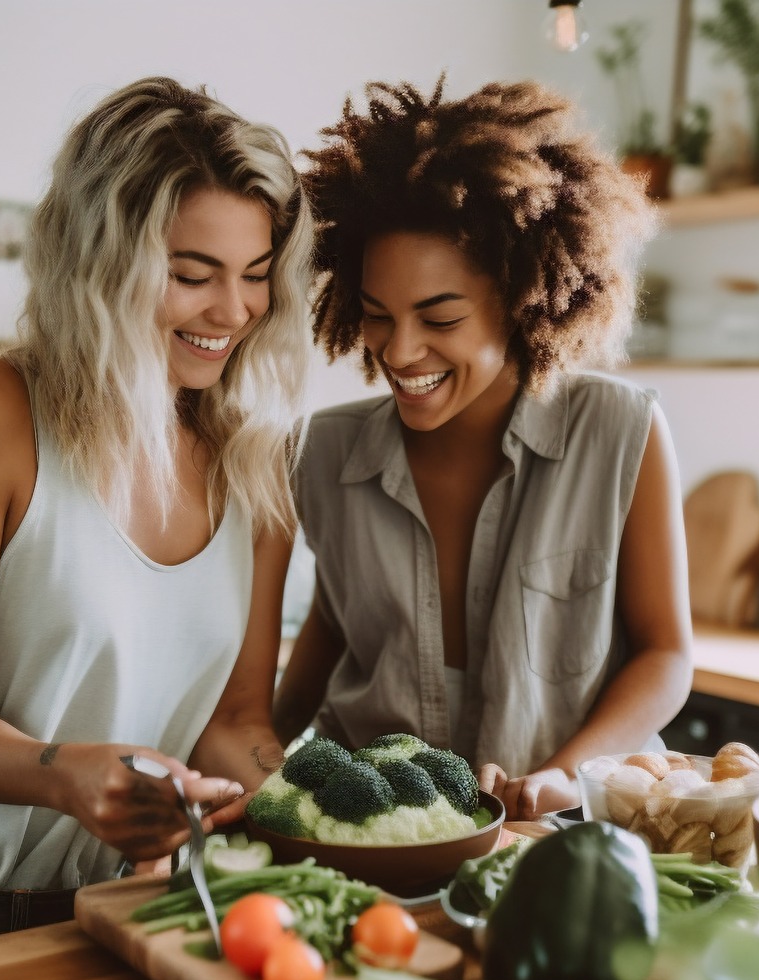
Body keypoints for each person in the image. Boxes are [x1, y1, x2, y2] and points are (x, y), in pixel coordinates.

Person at [0, 77, 314, 957]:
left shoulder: (255, 465)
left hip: (145, 911)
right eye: (192, 276)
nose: (232, 313)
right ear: (100, 265)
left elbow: (233, 723)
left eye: (256, 277)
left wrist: (317, 805)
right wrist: (66, 773)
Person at [276, 79, 691, 822]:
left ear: (522, 293)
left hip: (565, 834)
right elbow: (336, 626)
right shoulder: (322, 452)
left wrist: (567, 776)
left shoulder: (620, 431)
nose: (399, 352)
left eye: (439, 317)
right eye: (377, 316)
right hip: (380, 843)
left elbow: (666, 656)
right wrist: (254, 769)